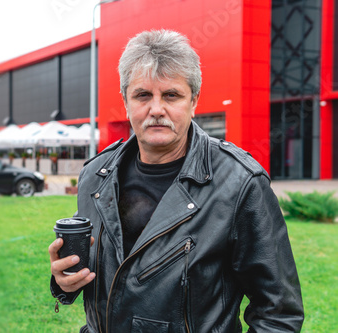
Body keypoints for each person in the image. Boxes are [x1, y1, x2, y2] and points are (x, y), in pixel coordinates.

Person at [48, 29, 304, 333]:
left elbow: (278, 314)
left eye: (171, 95)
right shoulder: (95, 175)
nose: (157, 110)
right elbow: (100, 273)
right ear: (126, 102)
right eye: (143, 95)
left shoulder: (240, 183)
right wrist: (64, 281)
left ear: (193, 101)